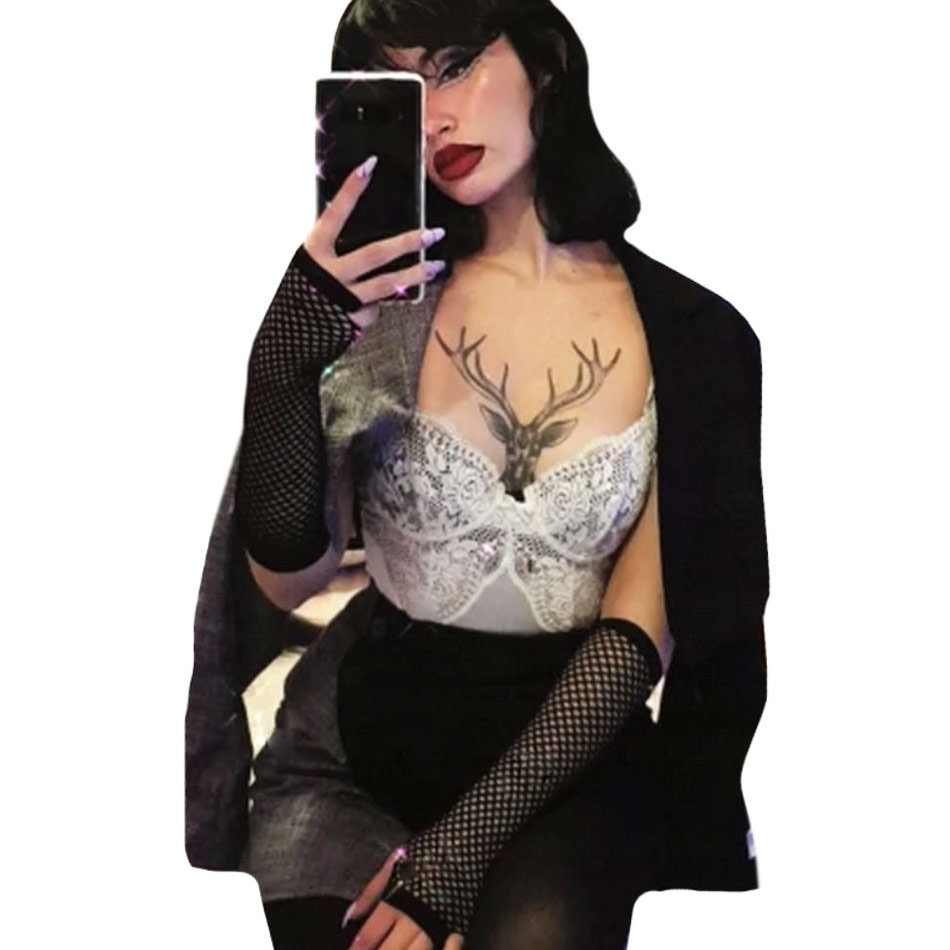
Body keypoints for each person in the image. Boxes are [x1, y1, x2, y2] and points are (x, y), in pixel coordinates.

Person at [185, 1, 770, 949]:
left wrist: (455, 857)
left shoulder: (698, 340)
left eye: (455, 65)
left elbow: (640, 634)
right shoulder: (377, 312)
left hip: (566, 762)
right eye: (401, 87)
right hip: (353, 754)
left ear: (546, 59)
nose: (436, 117)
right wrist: (282, 361)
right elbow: (289, 576)